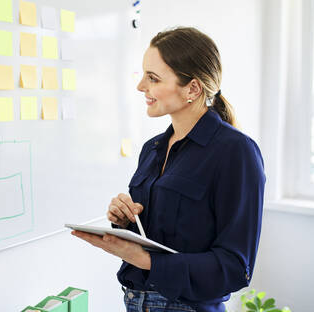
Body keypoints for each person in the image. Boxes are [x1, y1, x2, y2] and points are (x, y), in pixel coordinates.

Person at [71, 27, 266, 312]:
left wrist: (145, 260)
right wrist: (125, 221)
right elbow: (162, 233)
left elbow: (235, 267)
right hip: (135, 302)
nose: (141, 87)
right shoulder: (152, 148)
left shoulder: (236, 152)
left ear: (193, 88)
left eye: (153, 78)